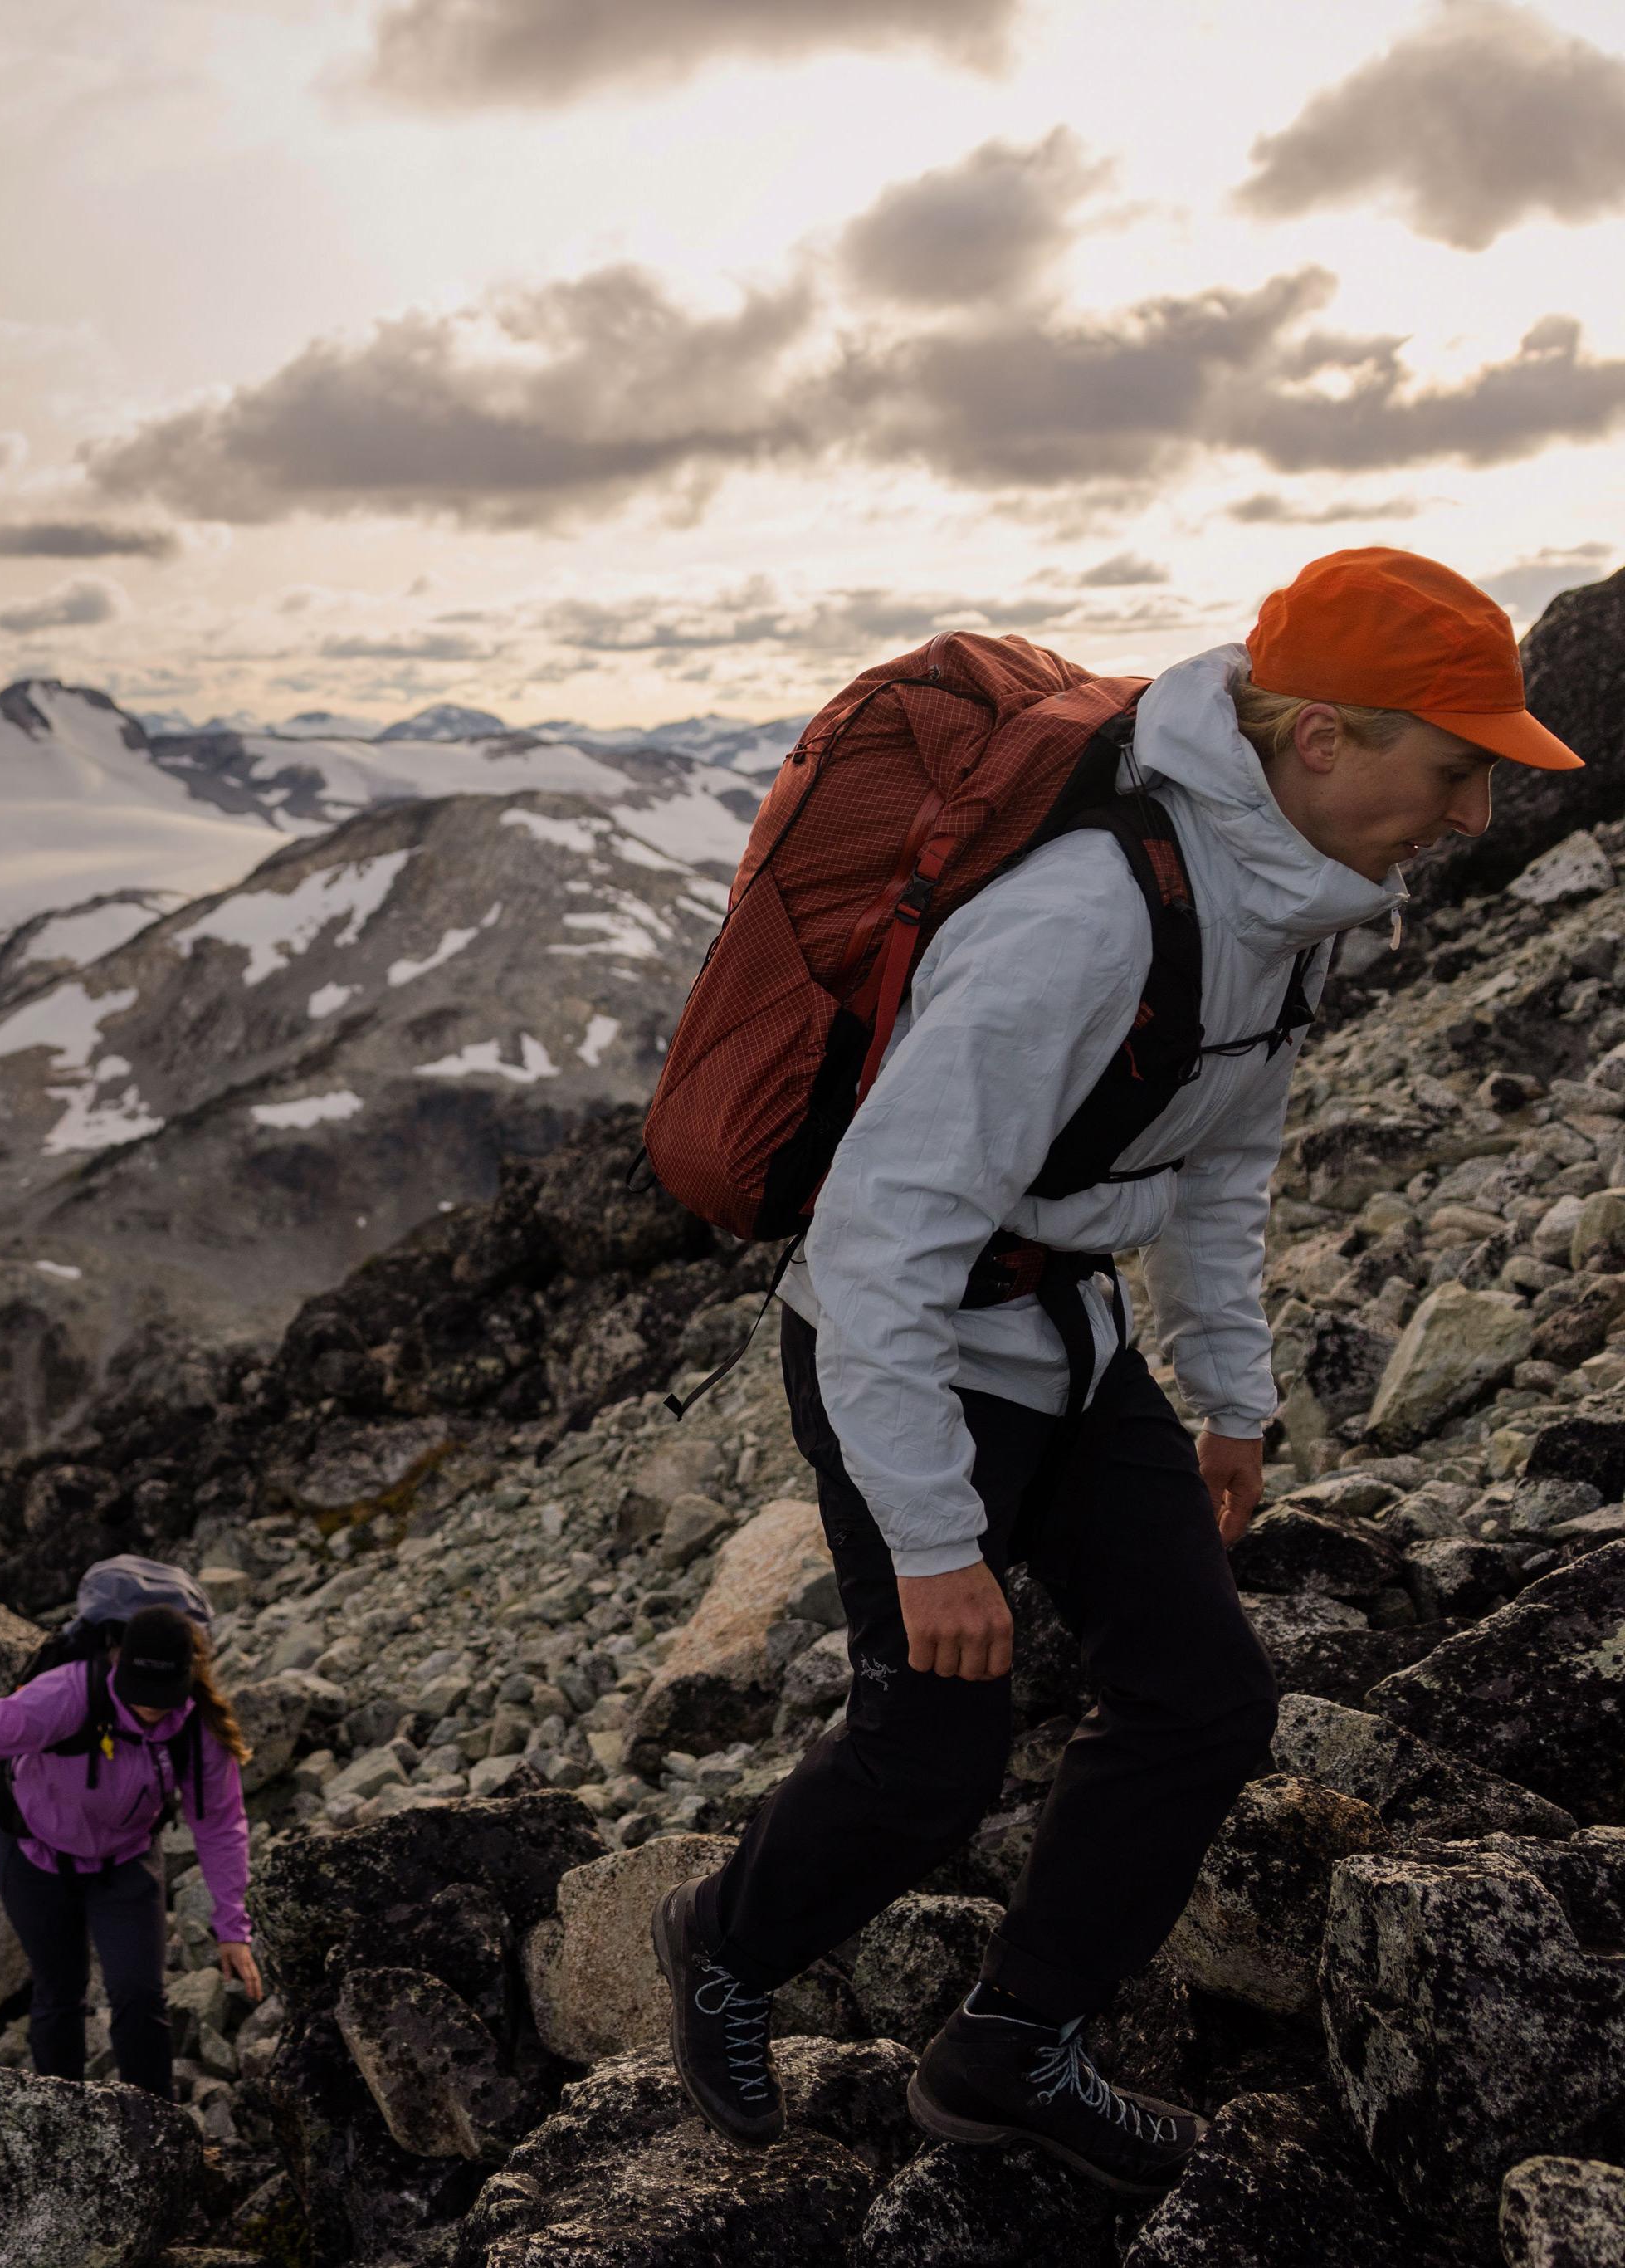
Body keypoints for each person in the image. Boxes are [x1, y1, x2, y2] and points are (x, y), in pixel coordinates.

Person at [652, 547, 1583, 2195]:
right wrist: (933, 1534)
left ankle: (1010, 2049)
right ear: (1317, 742)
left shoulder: (1286, 899)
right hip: (916, 1351)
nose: (1465, 820)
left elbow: (1225, 1150)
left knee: (1204, 1700)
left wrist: (1233, 1394)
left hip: (1067, 1338)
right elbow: (875, 1245)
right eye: (1451, 770)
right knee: (929, 1755)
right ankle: (720, 1938)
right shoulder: (1080, 920)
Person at [0, 1603, 262, 2099]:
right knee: (59, 1994)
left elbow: (220, 1825)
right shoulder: (67, 1693)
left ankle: (154, 2127)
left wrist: (232, 1926)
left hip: (126, 1864)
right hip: (35, 1860)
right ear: (117, 1664)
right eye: (138, 1696)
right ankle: (58, 2126)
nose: (149, 1709)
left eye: (162, 1698)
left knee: (140, 1994)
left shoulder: (197, 1728)